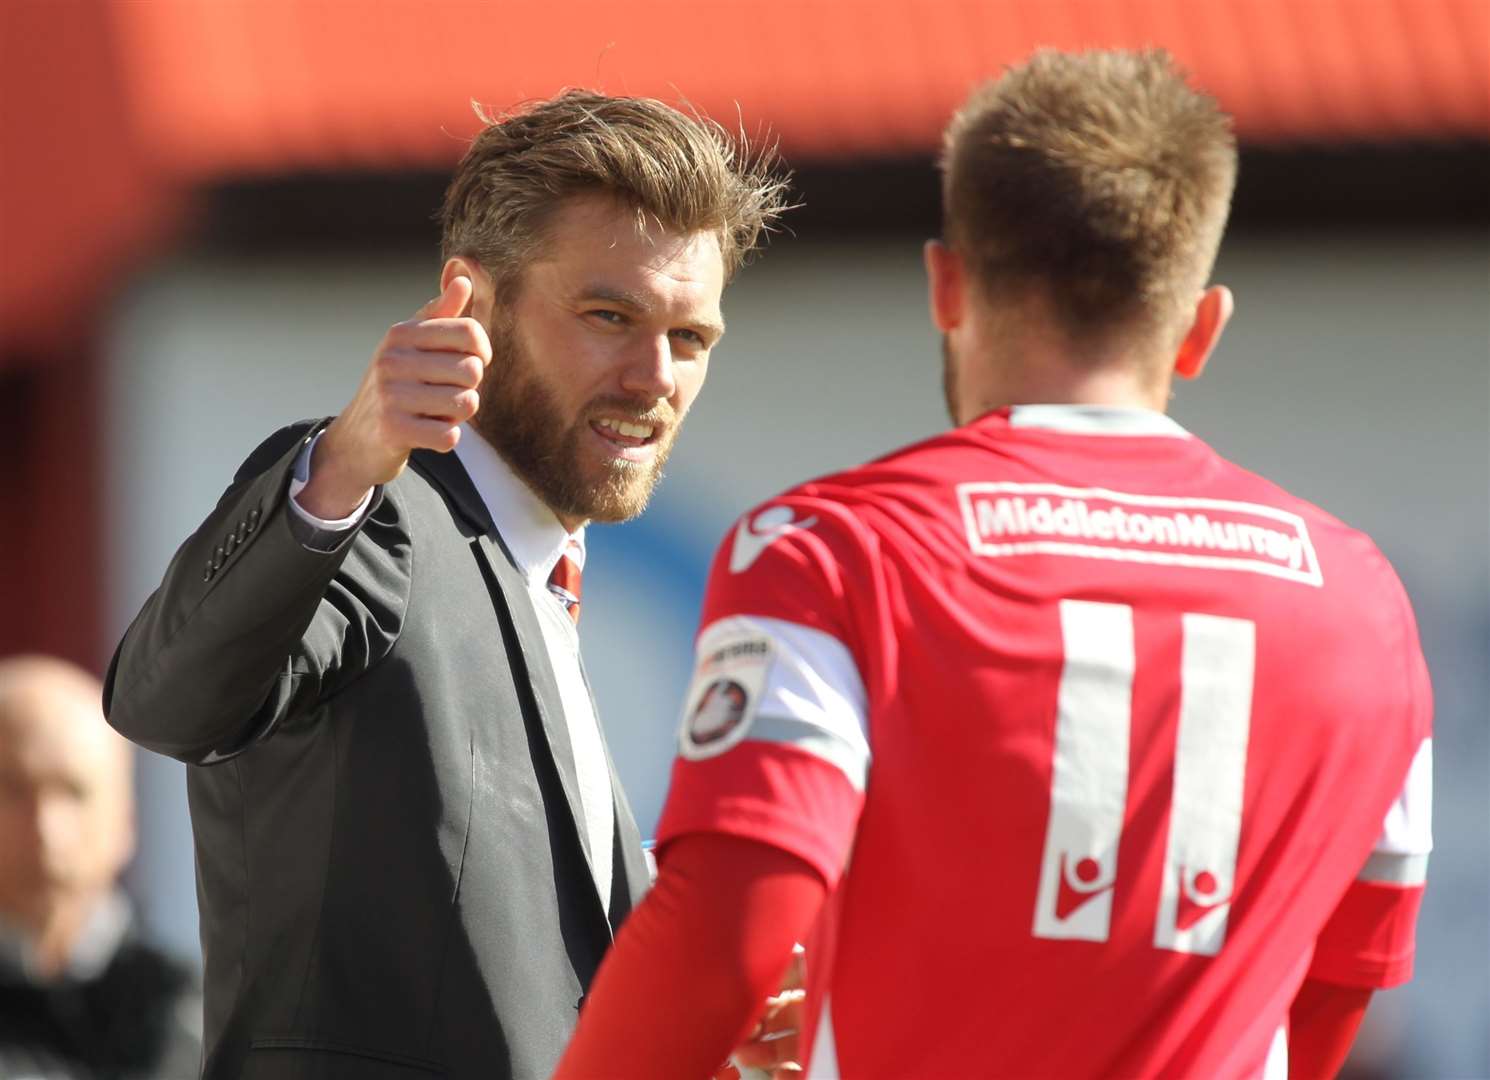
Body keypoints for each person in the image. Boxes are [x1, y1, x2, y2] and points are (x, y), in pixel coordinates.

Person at [554, 50, 1433, 1079]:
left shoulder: (831, 551)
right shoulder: (1364, 601)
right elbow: (1334, 986)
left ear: (946, 285)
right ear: (1199, 330)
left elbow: (729, 932)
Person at [104, 91, 786, 1079]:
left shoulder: (541, 583)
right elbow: (164, 699)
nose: (654, 377)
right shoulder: (372, 510)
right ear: (472, 299)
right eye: (608, 315)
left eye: (690, 339)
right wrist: (343, 461)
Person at [0, 654, 201, 1079]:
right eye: (13, 790)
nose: (46, 829)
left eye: (74, 793)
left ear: (125, 819)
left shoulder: (200, 1020)